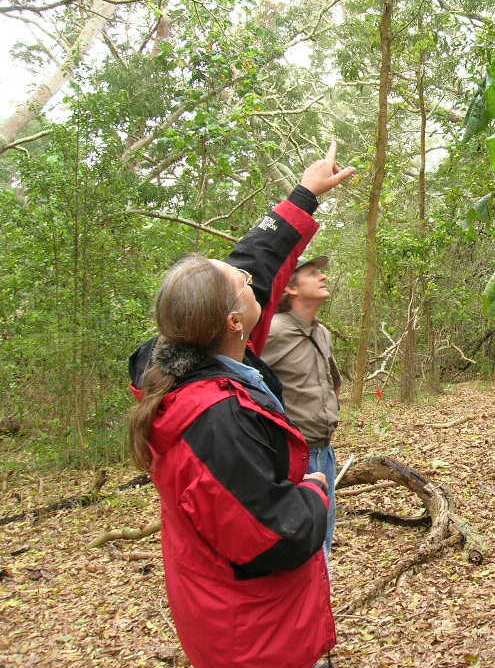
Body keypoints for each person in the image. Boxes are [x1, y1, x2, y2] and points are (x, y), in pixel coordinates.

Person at [127, 144, 355, 668]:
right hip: (254, 636)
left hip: (250, 614)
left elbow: (249, 261)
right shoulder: (214, 419)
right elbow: (275, 536)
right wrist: (316, 491)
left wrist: (304, 196)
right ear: (233, 321)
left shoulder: (188, 355)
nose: (252, 280)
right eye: (244, 289)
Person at [262, 254, 344, 562]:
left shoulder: (321, 332)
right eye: (312, 273)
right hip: (293, 456)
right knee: (303, 547)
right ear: (290, 289)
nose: (322, 277)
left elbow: (333, 380)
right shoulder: (273, 331)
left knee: (323, 537)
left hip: (325, 452)